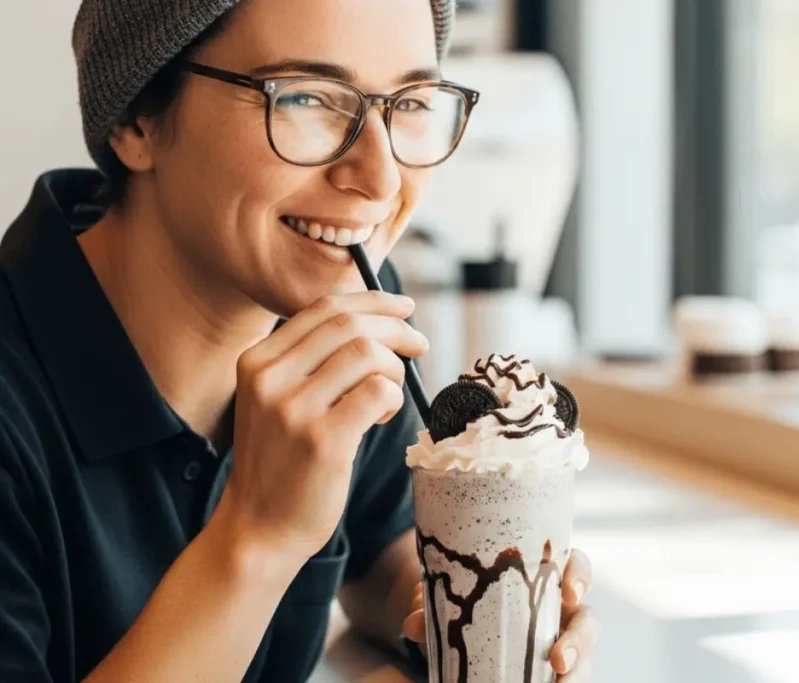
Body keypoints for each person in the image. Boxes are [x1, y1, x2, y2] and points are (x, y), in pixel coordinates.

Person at [0, 0, 600, 681]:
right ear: (139, 117)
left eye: (408, 104)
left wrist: (478, 595)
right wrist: (256, 532)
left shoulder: (334, 302)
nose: (378, 179)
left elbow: (382, 548)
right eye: (307, 97)